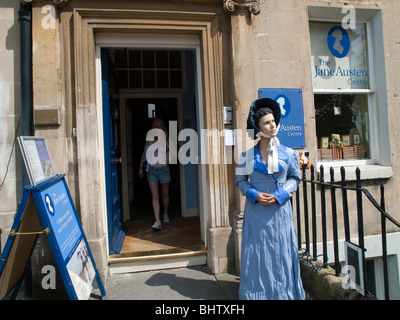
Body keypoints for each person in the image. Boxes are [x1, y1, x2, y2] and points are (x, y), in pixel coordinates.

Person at [236, 97, 305, 300]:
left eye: (273, 120)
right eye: (266, 122)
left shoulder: (289, 154)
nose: (272, 125)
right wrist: (254, 194)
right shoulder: (246, 156)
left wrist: (280, 195)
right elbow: (240, 181)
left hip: (280, 211)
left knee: (281, 252)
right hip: (256, 213)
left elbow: (295, 177)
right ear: (257, 127)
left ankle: (284, 294)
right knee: (257, 253)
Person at [139, 118, 171, 231]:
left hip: (164, 170)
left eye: (160, 126)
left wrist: (168, 147)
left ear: (163, 127)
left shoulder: (167, 139)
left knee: (165, 194)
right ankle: (157, 221)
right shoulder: (149, 139)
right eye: (156, 127)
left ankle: (165, 213)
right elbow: (144, 153)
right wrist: (140, 168)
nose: (158, 129)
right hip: (152, 170)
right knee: (155, 196)